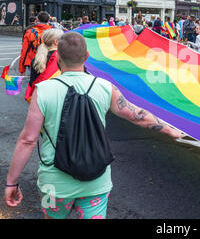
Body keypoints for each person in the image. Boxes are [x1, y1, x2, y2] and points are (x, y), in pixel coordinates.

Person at [4, 31, 182, 219]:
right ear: (86, 57)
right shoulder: (105, 87)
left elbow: (28, 140)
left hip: (54, 185)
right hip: (96, 183)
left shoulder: (44, 90)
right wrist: (169, 129)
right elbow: (137, 115)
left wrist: (11, 183)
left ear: (57, 57)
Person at [26, 28, 64, 102]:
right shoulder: (61, 58)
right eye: (63, 40)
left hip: (38, 98)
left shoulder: (36, 59)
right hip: (55, 98)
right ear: (56, 42)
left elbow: (32, 81)